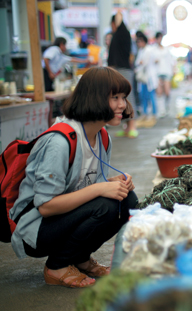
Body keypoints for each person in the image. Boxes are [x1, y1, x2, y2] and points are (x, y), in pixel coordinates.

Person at [10, 67, 137, 288]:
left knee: (127, 200)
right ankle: (57, 267)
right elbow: (46, 207)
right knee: (105, 206)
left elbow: (86, 185)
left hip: (62, 219)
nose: (122, 105)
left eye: (123, 98)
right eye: (114, 97)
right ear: (95, 97)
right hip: (36, 229)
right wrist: (100, 189)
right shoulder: (60, 142)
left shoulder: (102, 135)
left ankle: (79, 258)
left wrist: (110, 184)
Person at [108, 11, 138, 139]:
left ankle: (132, 126)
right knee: (120, 99)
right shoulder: (117, 35)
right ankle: (126, 127)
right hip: (117, 70)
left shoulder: (123, 34)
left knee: (127, 98)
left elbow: (119, 17)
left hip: (124, 70)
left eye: (112, 24)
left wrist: (118, 14)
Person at [135, 32, 159, 128]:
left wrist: (141, 63)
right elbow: (138, 62)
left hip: (149, 77)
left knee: (151, 96)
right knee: (143, 96)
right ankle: (144, 114)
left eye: (139, 41)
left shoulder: (149, 50)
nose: (138, 43)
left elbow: (144, 62)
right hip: (143, 78)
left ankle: (154, 115)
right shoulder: (141, 51)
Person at [153, 32, 176, 118]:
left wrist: (173, 70)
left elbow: (171, 61)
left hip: (166, 72)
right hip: (157, 73)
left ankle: (167, 108)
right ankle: (161, 110)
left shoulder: (166, 50)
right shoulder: (154, 50)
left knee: (167, 92)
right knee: (159, 92)